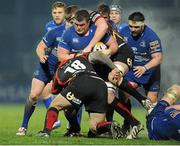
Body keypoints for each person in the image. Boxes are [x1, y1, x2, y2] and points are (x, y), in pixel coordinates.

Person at [16, 4, 78, 136]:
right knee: (33, 95)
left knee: (69, 104)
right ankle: (23, 127)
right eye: (55, 12)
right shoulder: (53, 30)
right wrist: (41, 55)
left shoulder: (76, 34)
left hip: (62, 70)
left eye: (60, 12)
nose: (57, 15)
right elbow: (40, 46)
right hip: (46, 66)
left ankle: (73, 128)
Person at [37, 51, 123, 138]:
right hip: (100, 84)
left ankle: (46, 132)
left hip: (81, 81)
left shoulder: (59, 70)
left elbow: (55, 91)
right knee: (94, 128)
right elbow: (97, 54)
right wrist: (114, 68)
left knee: (55, 105)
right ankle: (110, 126)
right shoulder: (81, 58)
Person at [120, 12, 163, 104]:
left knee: (151, 102)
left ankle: (151, 117)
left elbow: (158, 58)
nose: (133, 29)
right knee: (124, 92)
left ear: (142, 25)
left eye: (136, 27)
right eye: (131, 26)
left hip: (150, 70)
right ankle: (127, 118)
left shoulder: (151, 37)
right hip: (133, 69)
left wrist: (145, 68)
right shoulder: (123, 32)